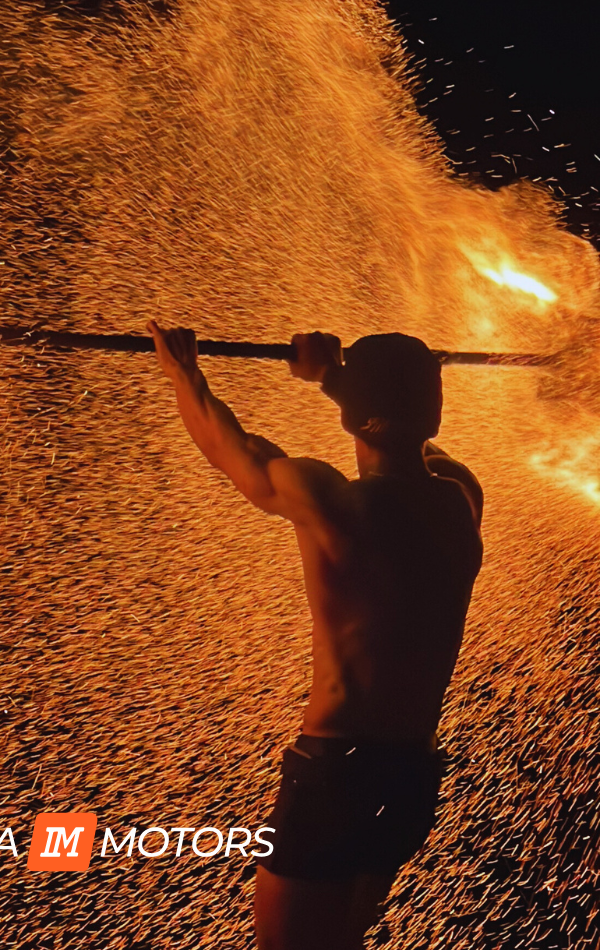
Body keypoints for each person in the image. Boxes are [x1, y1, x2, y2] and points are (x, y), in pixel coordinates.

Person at [147, 323, 483, 950]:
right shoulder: (461, 500)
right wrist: (337, 379)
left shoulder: (334, 504)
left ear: (358, 416)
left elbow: (232, 448)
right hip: (410, 775)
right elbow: (404, 439)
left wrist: (183, 372)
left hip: (337, 775)